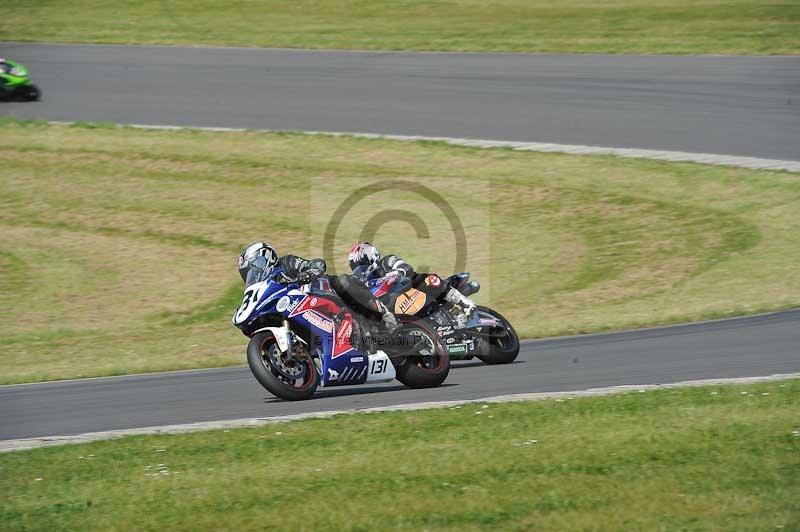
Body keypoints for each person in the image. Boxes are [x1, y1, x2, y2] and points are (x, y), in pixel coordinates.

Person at [237, 242, 398, 331]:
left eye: (254, 266)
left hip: (324, 291)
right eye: (248, 272)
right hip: (301, 311)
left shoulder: (286, 263)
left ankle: (384, 314)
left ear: (265, 258)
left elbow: (316, 264)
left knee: (343, 281)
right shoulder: (265, 287)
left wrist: (308, 273)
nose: (252, 272)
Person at [347, 242, 476, 327]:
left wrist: (397, 272)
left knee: (427, 279)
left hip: (412, 286)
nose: (359, 267)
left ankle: (466, 304)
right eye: (355, 265)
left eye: (362, 262)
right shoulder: (366, 282)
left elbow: (405, 267)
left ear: (371, 256)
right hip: (394, 300)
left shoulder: (387, 261)